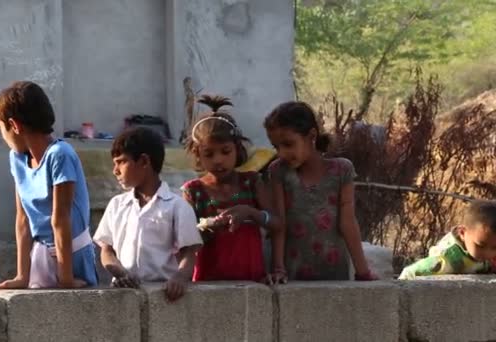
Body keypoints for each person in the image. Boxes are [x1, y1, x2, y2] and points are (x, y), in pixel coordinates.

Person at [0, 81, 97, 294]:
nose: (2, 136)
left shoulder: (60, 154)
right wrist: (22, 275)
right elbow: (22, 219)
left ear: (14, 125)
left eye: (1, 128)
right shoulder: (17, 159)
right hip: (41, 255)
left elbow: (61, 218)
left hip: (71, 256)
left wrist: (66, 277)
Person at [264, 101, 376, 280]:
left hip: (335, 274)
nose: (282, 153)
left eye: (288, 144)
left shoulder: (341, 170)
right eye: (276, 147)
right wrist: (278, 269)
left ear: (312, 136)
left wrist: (363, 273)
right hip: (293, 277)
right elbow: (280, 223)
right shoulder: (279, 171)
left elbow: (348, 223)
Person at [181, 95, 286, 284]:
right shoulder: (194, 191)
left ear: (237, 149)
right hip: (208, 285)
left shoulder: (251, 182)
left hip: (252, 283)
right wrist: (209, 227)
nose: (218, 160)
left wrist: (251, 213)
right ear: (198, 155)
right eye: (209, 154)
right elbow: (185, 241)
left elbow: (277, 223)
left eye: (225, 151)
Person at [93, 127, 202, 301]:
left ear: (144, 161)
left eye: (121, 162)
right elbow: (106, 251)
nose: (115, 170)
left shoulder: (177, 206)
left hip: (163, 294)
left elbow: (189, 253)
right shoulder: (116, 205)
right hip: (123, 293)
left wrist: (180, 278)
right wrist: (120, 273)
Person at [399, 200, 496, 280]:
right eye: (480, 246)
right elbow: (410, 272)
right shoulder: (447, 260)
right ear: (462, 233)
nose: (488, 253)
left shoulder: (487, 249)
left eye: (495, 248)